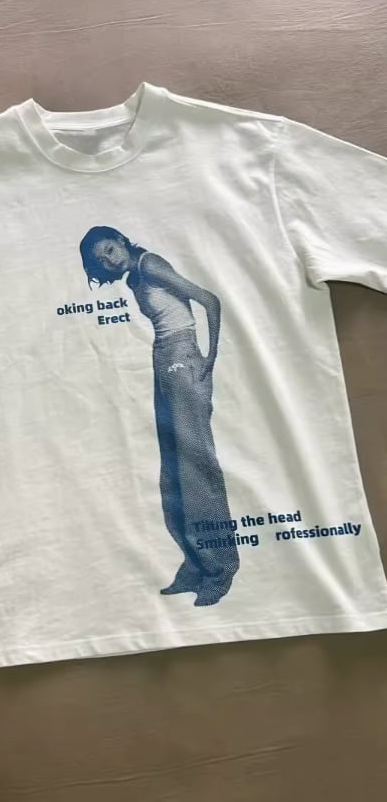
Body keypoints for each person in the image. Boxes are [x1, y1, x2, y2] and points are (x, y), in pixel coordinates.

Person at [79, 226, 239, 606]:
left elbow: (209, 300)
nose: (108, 261)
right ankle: (195, 563)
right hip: (163, 357)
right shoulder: (134, 276)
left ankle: (219, 569)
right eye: (100, 260)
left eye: (109, 250)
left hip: (182, 357)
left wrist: (209, 359)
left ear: (122, 241)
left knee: (196, 466)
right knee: (173, 470)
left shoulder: (149, 265)